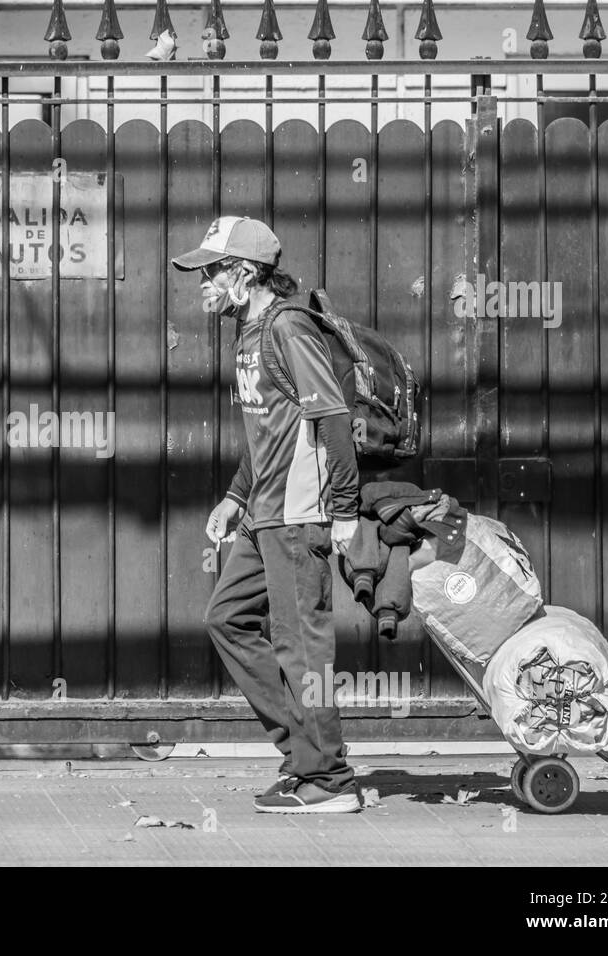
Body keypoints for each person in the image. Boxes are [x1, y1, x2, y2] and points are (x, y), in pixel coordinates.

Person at [171, 216, 361, 813]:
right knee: (227, 618)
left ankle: (330, 782)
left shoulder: (288, 328)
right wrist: (234, 496)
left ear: (245, 272)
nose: (201, 280)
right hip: (263, 511)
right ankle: (303, 759)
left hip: (300, 515)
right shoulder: (247, 333)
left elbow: (330, 417)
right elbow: (269, 431)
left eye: (211, 269)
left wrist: (345, 510)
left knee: (303, 651)